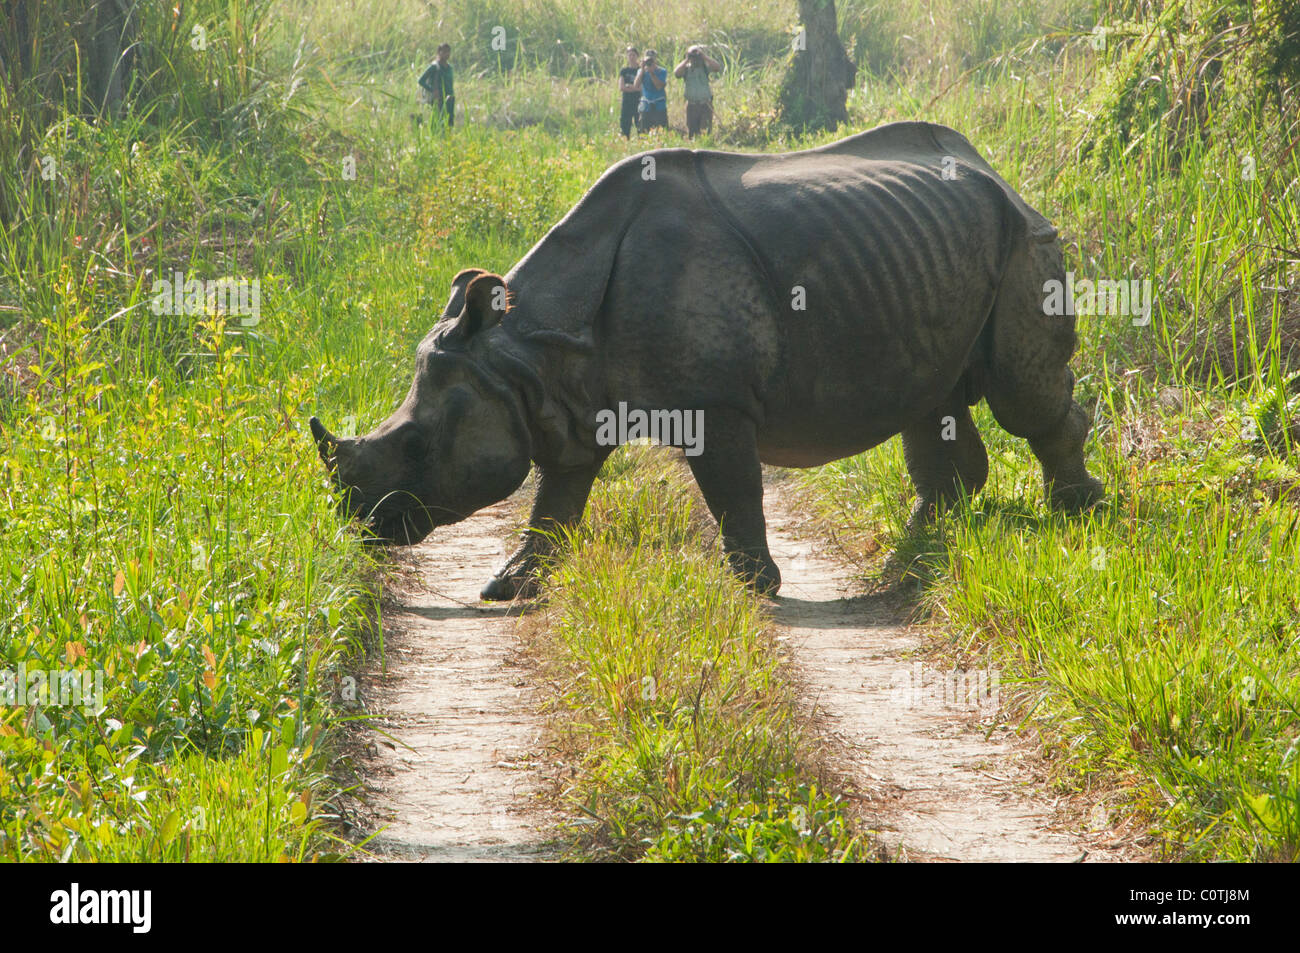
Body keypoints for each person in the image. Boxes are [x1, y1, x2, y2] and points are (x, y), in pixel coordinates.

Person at [675, 45, 722, 138]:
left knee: (705, 132)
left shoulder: (705, 67)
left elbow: (717, 68)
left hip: (705, 104)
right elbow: (676, 73)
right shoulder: (686, 69)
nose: (695, 59)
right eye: (693, 56)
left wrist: (704, 56)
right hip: (692, 106)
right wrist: (687, 59)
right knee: (692, 133)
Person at [418, 43, 455, 127]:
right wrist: (432, 90)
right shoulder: (434, 67)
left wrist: (452, 95)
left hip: (449, 97)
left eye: (448, 51)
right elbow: (421, 80)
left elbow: (450, 84)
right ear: (439, 52)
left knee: (450, 120)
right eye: (444, 51)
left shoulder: (449, 68)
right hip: (438, 99)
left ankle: (448, 138)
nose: (447, 54)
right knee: (438, 120)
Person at [634, 49, 668, 133]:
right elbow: (636, 85)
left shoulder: (662, 71)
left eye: (651, 60)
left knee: (661, 132)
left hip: (659, 106)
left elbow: (659, 86)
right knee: (643, 132)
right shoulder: (641, 71)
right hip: (646, 106)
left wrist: (652, 73)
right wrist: (642, 70)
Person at [617, 46, 642, 137]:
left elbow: (641, 88)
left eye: (633, 55)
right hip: (627, 101)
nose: (631, 57)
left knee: (639, 123)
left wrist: (631, 87)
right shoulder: (624, 71)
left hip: (638, 100)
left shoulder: (640, 70)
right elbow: (622, 87)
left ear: (637, 56)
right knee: (625, 125)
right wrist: (634, 88)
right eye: (629, 55)